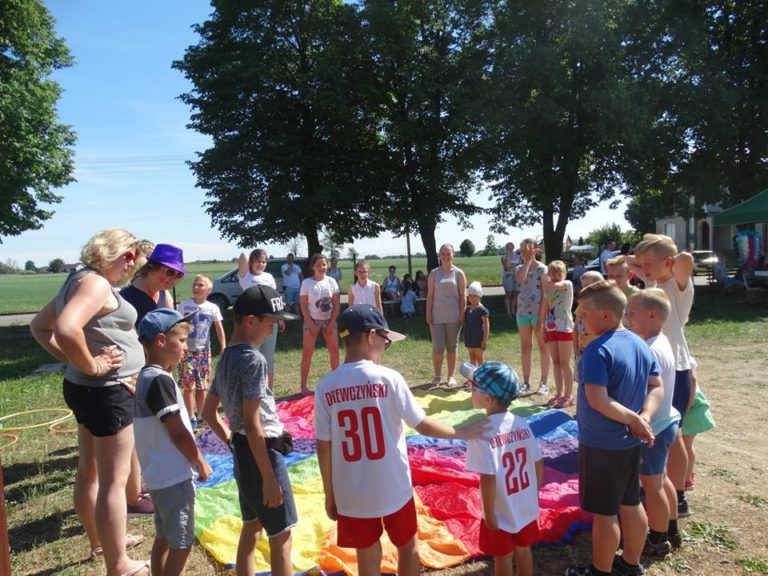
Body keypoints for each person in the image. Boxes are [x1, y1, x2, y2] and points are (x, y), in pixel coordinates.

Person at [315, 304, 489, 576]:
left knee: (367, 552)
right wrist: (463, 432)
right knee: (408, 546)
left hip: (351, 491)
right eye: (386, 342)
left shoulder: (325, 386)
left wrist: (330, 493)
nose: (385, 347)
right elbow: (422, 424)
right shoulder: (390, 378)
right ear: (371, 336)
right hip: (393, 484)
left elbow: (323, 447)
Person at [30, 228, 150, 576]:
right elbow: (65, 328)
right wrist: (93, 365)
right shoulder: (95, 283)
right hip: (107, 393)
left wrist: (76, 365)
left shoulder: (77, 280)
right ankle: (120, 565)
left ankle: (102, 543)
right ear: (124, 256)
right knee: (114, 480)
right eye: (131, 266)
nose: (129, 274)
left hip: (87, 389)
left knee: (90, 471)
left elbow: (40, 327)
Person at [201, 285, 301, 576]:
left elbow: (209, 412)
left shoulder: (226, 359)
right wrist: (269, 477)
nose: (272, 332)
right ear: (250, 320)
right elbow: (253, 421)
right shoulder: (254, 360)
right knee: (281, 535)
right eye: (270, 323)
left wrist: (234, 444)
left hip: (244, 455)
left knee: (251, 527)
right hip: (263, 456)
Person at [566, 280, 660, 576]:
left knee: (605, 514)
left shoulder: (597, 350)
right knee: (630, 503)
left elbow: (598, 399)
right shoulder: (638, 343)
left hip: (602, 446)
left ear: (605, 315)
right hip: (629, 444)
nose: (580, 323)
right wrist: (644, 415)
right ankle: (631, 564)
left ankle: (600, 570)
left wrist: (635, 419)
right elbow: (656, 387)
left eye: (584, 316)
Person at [134, 309, 212, 576]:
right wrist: (200, 462)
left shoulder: (147, 377)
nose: (185, 348)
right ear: (160, 341)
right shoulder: (158, 381)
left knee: (164, 536)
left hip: (158, 475)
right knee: (181, 543)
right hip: (173, 478)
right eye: (180, 341)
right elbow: (178, 432)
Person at [629, 233, 696, 517]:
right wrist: (646, 257)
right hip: (662, 364)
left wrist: (664, 255)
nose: (642, 268)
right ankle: (660, 484)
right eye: (641, 264)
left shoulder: (676, 285)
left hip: (676, 368)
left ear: (667, 263)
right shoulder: (653, 283)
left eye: (649, 264)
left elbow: (686, 259)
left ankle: (678, 495)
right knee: (663, 430)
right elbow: (631, 262)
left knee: (674, 432)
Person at [121, 242, 187, 515]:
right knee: (132, 438)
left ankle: (142, 487)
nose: (170, 280)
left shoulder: (160, 296)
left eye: (175, 276)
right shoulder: (128, 298)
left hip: (151, 372)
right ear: (150, 267)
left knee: (148, 433)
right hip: (130, 375)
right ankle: (133, 497)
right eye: (166, 273)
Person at [462, 361, 543, 576]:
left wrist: (489, 514)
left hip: (500, 510)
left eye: (473, 387)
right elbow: (538, 461)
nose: (470, 390)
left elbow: (487, 478)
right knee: (524, 551)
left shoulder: (482, 432)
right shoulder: (521, 423)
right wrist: (533, 495)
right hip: (524, 504)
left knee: (502, 556)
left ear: (488, 398)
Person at [627, 289, 683, 555]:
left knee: (652, 485)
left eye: (632, 314)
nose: (628, 318)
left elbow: (646, 392)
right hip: (667, 421)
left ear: (651, 315)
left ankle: (658, 539)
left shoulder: (648, 350)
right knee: (661, 480)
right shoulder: (661, 341)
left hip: (655, 428)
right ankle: (671, 528)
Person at [177, 275, 226, 427]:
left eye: (200, 285)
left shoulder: (213, 308)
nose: (196, 287)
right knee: (188, 386)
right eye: (194, 284)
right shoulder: (184, 306)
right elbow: (177, 327)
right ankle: (190, 417)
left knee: (202, 386)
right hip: (187, 353)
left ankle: (202, 415)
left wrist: (223, 346)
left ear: (208, 290)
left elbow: (219, 328)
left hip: (204, 352)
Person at [239, 248, 282, 389]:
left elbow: (275, 298)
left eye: (264, 262)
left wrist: (280, 318)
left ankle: (268, 390)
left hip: (270, 321)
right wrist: (251, 254)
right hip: (253, 323)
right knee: (253, 357)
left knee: (268, 358)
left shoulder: (269, 277)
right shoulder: (246, 277)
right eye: (258, 261)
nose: (261, 264)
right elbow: (243, 256)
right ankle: (252, 388)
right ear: (251, 262)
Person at [299, 253, 341, 395]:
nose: (322, 267)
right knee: (307, 353)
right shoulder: (307, 283)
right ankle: (303, 386)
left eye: (324, 264)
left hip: (329, 320)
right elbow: (303, 306)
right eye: (318, 265)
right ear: (313, 267)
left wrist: (332, 322)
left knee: (334, 351)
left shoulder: (331, 282)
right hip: (311, 320)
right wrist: (311, 324)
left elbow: (336, 304)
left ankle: (336, 383)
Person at [426, 243, 467, 386]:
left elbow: (463, 296)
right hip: (436, 316)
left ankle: (451, 376)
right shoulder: (433, 274)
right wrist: (428, 313)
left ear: (453, 254)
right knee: (438, 347)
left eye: (448, 253)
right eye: (443, 253)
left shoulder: (459, 273)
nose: (445, 256)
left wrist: (462, 313)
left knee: (452, 347)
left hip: (454, 316)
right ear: (439, 255)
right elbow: (430, 296)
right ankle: (437, 376)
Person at [514, 239, 549, 394]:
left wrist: (542, 317)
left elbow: (546, 294)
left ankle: (544, 383)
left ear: (534, 249)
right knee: (525, 347)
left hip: (538, 313)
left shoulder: (543, 269)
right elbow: (521, 279)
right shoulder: (519, 268)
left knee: (543, 347)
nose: (523, 252)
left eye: (526, 249)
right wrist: (528, 259)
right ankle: (526, 382)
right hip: (522, 313)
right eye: (521, 250)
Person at [540, 261, 574, 408]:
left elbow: (551, 285)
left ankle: (568, 395)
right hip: (551, 328)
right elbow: (546, 307)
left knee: (565, 362)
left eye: (559, 273)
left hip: (565, 327)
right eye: (553, 273)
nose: (556, 276)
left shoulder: (567, 284)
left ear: (564, 274)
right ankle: (559, 393)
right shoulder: (549, 289)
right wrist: (542, 327)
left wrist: (545, 278)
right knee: (556, 362)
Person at [681, 357, 716, 492]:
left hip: (690, 404)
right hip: (692, 403)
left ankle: (686, 478)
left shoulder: (685, 358)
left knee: (684, 445)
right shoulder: (686, 356)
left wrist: (688, 404)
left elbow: (693, 380)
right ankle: (687, 478)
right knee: (686, 445)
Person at [464, 281, 490, 366]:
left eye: (475, 296)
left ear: (479, 296)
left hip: (478, 338)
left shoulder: (482, 310)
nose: (472, 298)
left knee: (479, 358)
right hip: (470, 337)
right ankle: (473, 377)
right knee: (472, 357)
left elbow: (486, 326)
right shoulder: (468, 309)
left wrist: (484, 340)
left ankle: (481, 376)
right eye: (470, 296)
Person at [501, 242, 522, 317]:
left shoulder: (517, 256)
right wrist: (509, 256)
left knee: (515, 294)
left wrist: (512, 269)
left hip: (516, 276)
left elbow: (520, 266)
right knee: (508, 295)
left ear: (513, 248)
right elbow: (506, 267)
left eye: (511, 248)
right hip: (508, 277)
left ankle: (513, 311)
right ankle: (509, 312)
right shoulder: (504, 257)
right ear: (506, 249)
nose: (510, 249)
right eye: (508, 248)